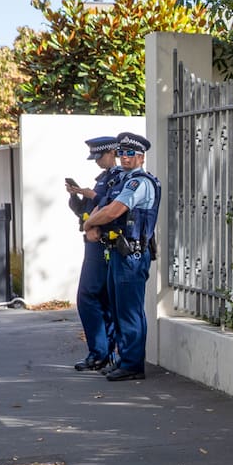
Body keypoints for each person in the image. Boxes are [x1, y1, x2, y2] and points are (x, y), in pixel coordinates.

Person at [84, 131, 161, 382]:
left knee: (129, 311)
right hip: (118, 252)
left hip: (133, 254)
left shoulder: (140, 183)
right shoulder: (121, 180)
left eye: (131, 154)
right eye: (122, 153)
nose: (125, 158)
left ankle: (132, 363)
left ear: (141, 157)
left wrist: (89, 225)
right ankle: (123, 358)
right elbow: (103, 206)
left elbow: (114, 210)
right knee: (118, 308)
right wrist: (94, 223)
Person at [67, 136, 123, 372]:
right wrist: (76, 197)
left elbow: (112, 210)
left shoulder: (117, 179)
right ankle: (103, 352)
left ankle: (100, 352)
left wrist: (91, 198)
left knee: (88, 296)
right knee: (100, 299)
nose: (98, 161)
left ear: (112, 153)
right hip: (94, 242)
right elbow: (86, 213)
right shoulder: (103, 179)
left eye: (100, 156)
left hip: (102, 244)